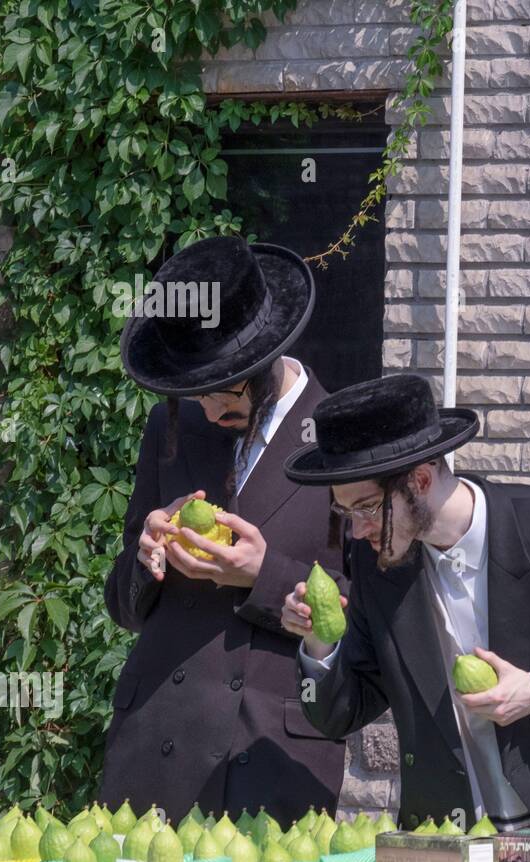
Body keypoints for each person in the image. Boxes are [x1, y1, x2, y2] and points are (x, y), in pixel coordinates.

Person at [278, 373, 530, 862]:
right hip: (459, 845)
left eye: (365, 508)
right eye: (343, 512)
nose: (357, 529)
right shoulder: (376, 562)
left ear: (421, 480)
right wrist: (319, 646)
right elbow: (340, 712)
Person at [100, 235, 346, 825]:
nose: (209, 411)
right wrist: (146, 555)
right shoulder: (171, 426)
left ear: (265, 358)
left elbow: (364, 615)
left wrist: (263, 578)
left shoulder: (340, 438)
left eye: (222, 392)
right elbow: (124, 607)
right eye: (193, 394)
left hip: (267, 757)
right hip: (154, 739)